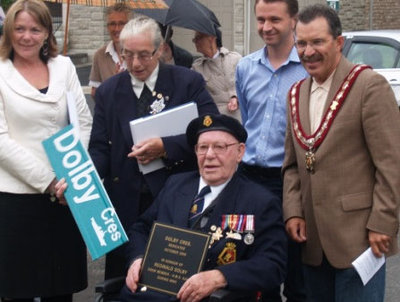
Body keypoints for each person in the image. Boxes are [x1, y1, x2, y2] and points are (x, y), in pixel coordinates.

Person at [283, 4, 400, 302]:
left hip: (360, 240)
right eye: (302, 43)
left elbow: (391, 164)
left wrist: (383, 223)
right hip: (312, 241)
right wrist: (294, 210)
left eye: (317, 42)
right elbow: (293, 165)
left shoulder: (369, 87)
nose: (308, 52)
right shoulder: (296, 94)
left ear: (338, 42)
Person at [89, 16, 218, 280]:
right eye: (128, 55)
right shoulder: (109, 91)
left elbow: (211, 130)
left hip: (175, 197)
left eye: (144, 55)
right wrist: (81, 177)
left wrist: (166, 147)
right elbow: (100, 149)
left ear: (160, 50)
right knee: (125, 281)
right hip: (125, 201)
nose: (135, 64)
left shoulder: (186, 82)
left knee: (173, 279)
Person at [120, 114, 287, 302]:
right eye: (203, 147)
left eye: (219, 147)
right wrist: (137, 258)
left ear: (240, 152)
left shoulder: (260, 202)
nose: (209, 155)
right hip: (151, 294)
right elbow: (141, 229)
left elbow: (273, 265)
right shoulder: (176, 185)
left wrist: (221, 277)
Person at [0, 0, 93, 301]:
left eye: (35, 29)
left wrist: (72, 176)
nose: (26, 36)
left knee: (61, 289)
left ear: (46, 34)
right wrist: (51, 183)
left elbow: (83, 123)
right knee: (18, 290)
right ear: (8, 31)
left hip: (66, 198)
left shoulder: (63, 66)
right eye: (19, 29)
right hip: (17, 200)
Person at [235, 0, 308, 301]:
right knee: (255, 266)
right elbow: (247, 120)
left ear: (294, 20)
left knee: (297, 268)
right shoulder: (245, 67)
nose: (266, 27)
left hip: (293, 181)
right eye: (261, 19)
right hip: (249, 178)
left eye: (275, 19)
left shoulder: (309, 68)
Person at [192, 28, 242, 121]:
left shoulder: (235, 59)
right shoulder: (197, 67)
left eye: (198, 38)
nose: (195, 41)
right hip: (213, 120)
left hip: (238, 118)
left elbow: (246, 84)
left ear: (211, 38)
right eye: (194, 39)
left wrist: (235, 96)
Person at [89, 2, 133, 98]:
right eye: (112, 24)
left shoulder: (138, 54)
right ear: (107, 27)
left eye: (121, 23)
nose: (117, 29)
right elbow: (94, 93)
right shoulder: (100, 55)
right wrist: (113, 84)